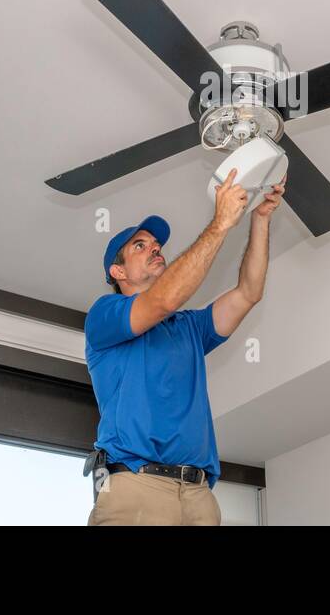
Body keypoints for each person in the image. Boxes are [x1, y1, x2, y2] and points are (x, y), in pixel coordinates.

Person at [83, 169, 286, 525]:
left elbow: (248, 293)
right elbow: (161, 302)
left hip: (198, 495)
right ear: (118, 273)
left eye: (157, 245)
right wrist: (220, 224)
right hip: (135, 487)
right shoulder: (105, 314)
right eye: (140, 246)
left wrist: (261, 219)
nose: (155, 249)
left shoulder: (189, 326)